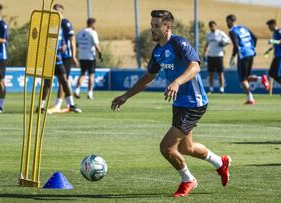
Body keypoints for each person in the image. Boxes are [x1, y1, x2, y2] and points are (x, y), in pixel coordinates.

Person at [111, 10, 231, 197]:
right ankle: (220, 162)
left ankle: (188, 180)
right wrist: (126, 96)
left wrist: (176, 81)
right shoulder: (158, 51)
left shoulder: (179, 43)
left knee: (166, 147)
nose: (153, 29)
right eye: (151, 25)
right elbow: (149, 76)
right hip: (179, 103)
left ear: (168, 27)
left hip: (194, 102)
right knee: (186, 148)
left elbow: (195, 66)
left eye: (156, 26)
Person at [226, 14, 269, 104]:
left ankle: (251, 97)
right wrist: (251, 47)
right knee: (246, 77)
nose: (227, 24)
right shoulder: (243, 28)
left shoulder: (232, 31)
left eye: (227, 22)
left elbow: (236, 46)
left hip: (243, 54)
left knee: (242, 79)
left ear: (230, 21)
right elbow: (255, 38)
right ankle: (260, 82)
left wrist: (232, 57)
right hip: (250, 52)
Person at [39, 26, 81, 114]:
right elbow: (42, 45)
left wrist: (64, 47)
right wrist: (52, 55)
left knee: (64, 81)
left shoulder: (60, 29)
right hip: (48, 61)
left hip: (58, 61)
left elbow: (63, 42)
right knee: (47, 84)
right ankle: (41, 106)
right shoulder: (46, 29)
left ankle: (71, 104)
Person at [49, 3, 79, 113]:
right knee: (62, 80)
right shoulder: (54, 23)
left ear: (61, 12)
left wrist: (73, 56)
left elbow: (72, 39)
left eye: (56, 11)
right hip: (59, 55)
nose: (53, 13)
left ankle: (60, 104)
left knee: (63, 80)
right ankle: (65, 103)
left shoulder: (65, 23)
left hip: (66, 56)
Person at [74, 18, 102, 100]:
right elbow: (97, 45)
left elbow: (76, 43)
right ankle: (90, 93)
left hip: (82, 57)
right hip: (90, 57)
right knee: (91, 75)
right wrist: (100, 54)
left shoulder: (80, 32)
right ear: (93, 24)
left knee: (82, 74)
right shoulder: (93, 33)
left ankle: (77, 90)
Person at [203, 21, 230, 94]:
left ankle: (221, 88)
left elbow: (229, 41)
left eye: (213, 25)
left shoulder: (220, 33)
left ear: (216, 25)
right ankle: (211, 89)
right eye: (210, 26)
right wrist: (204, 53)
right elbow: (207, 44)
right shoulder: (209, 34)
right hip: (210, 56)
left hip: (219, 55)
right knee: (211, 73)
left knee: (220, 73)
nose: (212, 27)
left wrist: (223, 44)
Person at [0, 3, 7, 113]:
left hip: (0, 56)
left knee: (1, 82)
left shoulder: (2, 24)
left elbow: (4, 40)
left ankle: (1, 106)